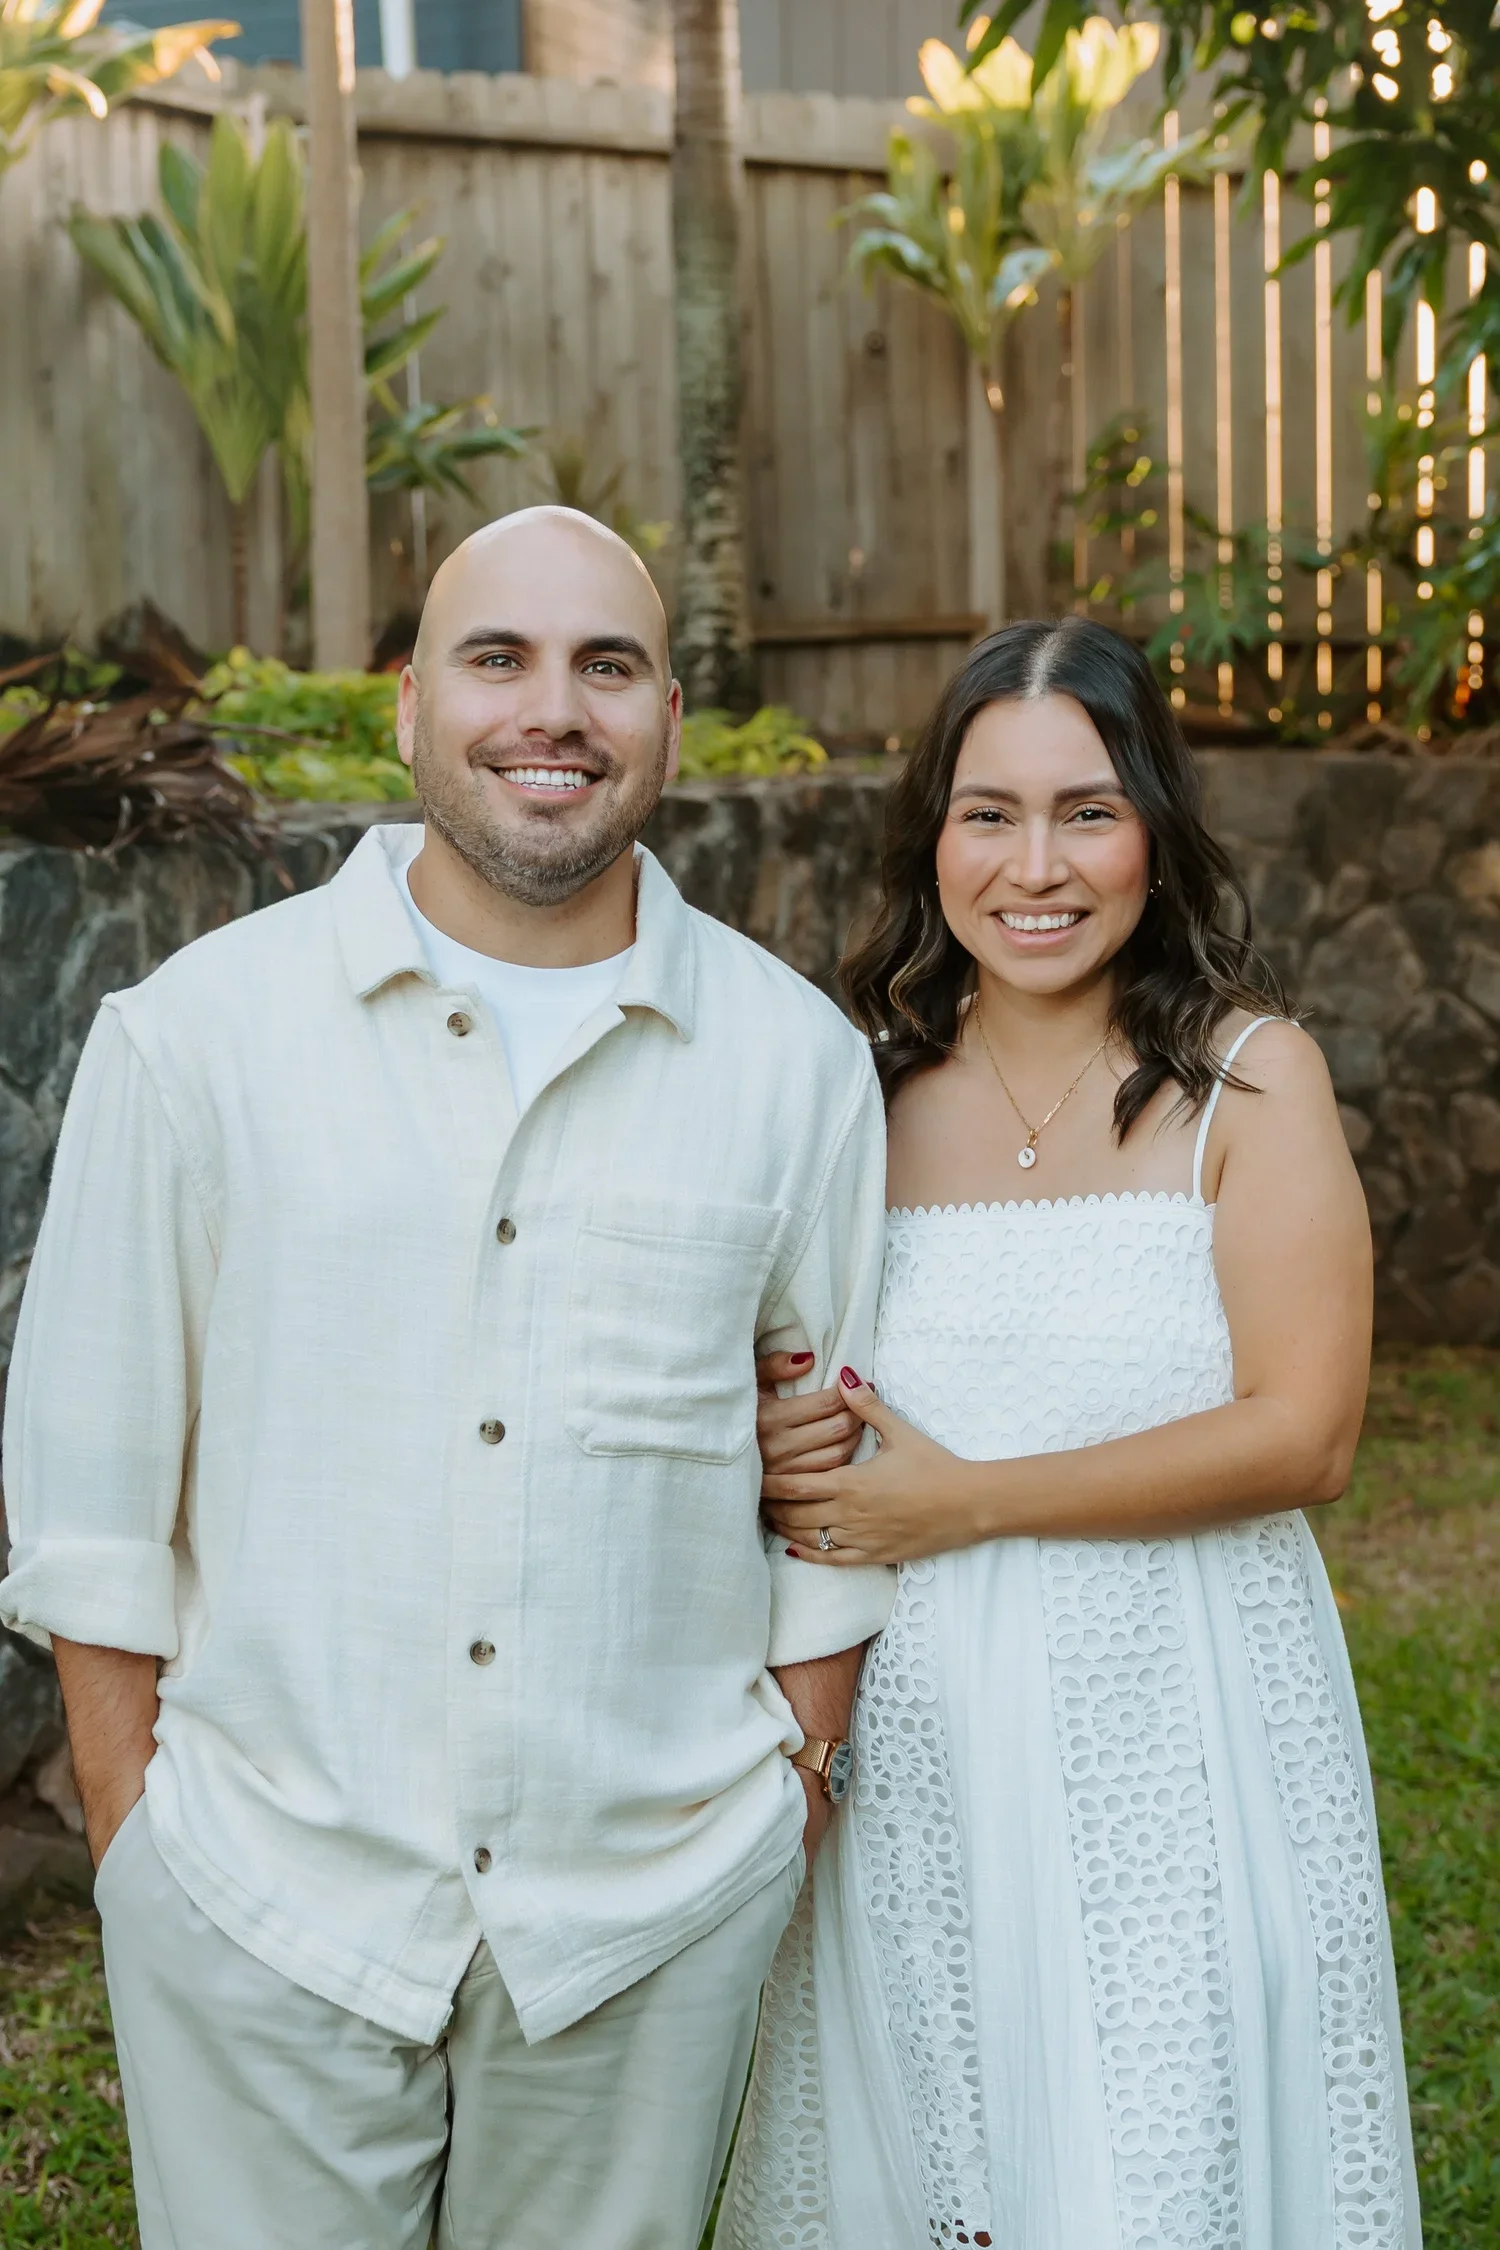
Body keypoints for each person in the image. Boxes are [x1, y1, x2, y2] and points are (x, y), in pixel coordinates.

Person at [0, 507, 895, 2250]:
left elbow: (835, 1479)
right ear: (407, 704)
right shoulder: (193, 1041)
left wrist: (788, 1790)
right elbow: (89, 1483)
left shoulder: (793, 1066)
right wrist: (143, 1845)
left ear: (672, 718)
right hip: (264, 1898)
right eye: (499, 657)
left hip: (648, 1914)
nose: (550, 708)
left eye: (605, 665)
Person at [722, 617, 1420, 2250]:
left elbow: (1306, 1432)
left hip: (1183, 1722)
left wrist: (969, 1500)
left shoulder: (1252, 1081)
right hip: (917, 1736)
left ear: (1154, 832)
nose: (1038, 864)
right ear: (934, 837)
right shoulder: (856, 1095)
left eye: (1088, 811)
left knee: (1160, 2164)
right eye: (991, 813)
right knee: (939, 2151)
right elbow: (771, 1374)